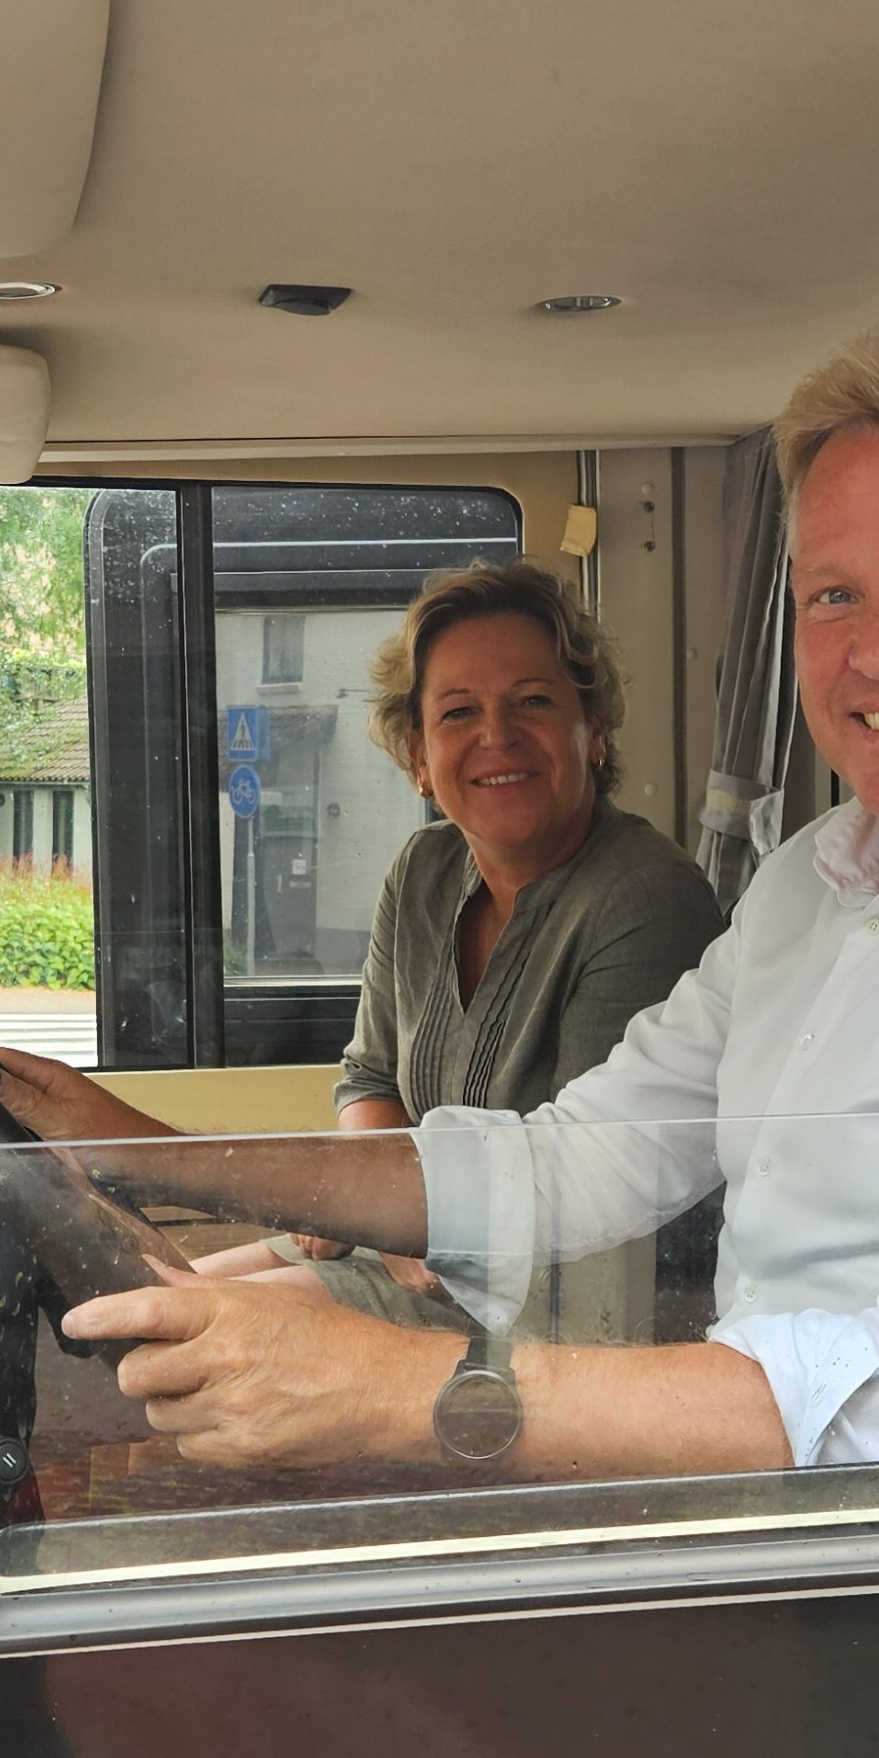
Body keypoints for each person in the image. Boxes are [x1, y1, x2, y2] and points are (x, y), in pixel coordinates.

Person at [0, 319, 879, 1482]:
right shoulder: (821, 875)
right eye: (834, 594)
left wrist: (395, 1389)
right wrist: (137, 1154)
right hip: (809, 1537)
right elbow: (574, 1158)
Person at [129, 558, 723, 1324]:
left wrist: (396, 1211)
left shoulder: (645, 895)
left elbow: (590, 1193)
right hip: (405, 1239)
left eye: (533, 701)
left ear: (594, 734)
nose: (497, 735)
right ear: (417, 756)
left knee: (176, 1331)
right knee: (140, 1295)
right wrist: (377, 1194)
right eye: (457, 713)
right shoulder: (423, 870)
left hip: (546, 1304)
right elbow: (369, 1077)